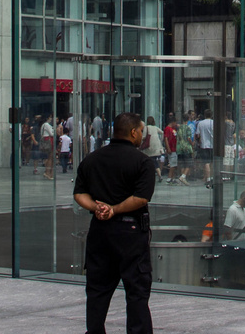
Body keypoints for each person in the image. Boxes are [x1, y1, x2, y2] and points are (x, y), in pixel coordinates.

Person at [74, 112, 155, 334]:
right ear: (132, 132)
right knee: (136, 292)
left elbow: (79, 193)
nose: (141, 134)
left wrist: (97, 208)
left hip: (100, 231)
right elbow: (141, 198)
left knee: (97, 290)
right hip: (130, 231)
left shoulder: (92, 159)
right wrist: (115, 209)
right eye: (140, 130)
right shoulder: (142, 162)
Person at [40, 115, 57, 180]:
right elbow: (51, 133)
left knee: (49, 157)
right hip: (49, 141)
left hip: (47, 140)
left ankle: (48, 172)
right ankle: (47, 172)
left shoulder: (43, 125)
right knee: (50, 157)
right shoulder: (47, 125)